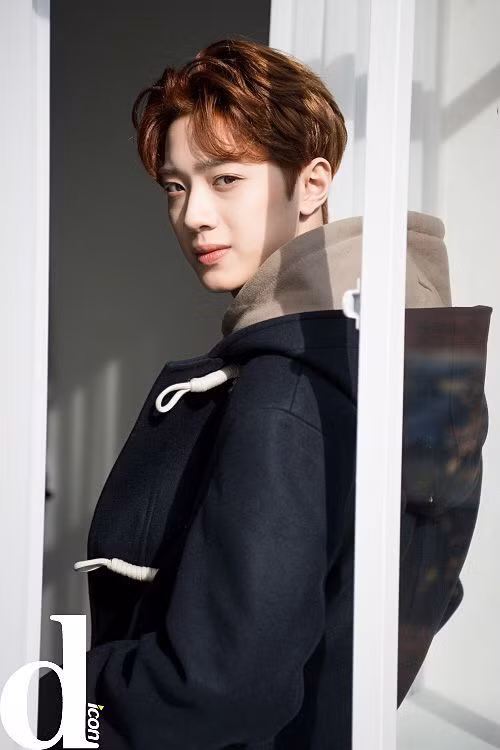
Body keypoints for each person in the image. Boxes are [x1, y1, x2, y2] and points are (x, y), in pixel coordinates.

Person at [38, 37, 491, 749]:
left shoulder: (290, 387)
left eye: (225, 179)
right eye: (175, 186)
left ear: (313, 183)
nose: (193, 215)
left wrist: (59, 705)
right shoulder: (391, 361)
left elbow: (218, 688)